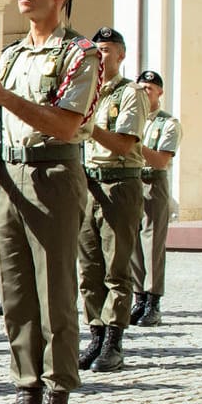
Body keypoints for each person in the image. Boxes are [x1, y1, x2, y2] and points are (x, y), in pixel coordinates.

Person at [0, 0, 100, 404]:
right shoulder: (9, 56)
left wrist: (2, 97)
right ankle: (25, 397)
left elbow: (67, 124)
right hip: (12, 175)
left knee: (55, 297)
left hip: (55, 173)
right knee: (18, 295)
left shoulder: (80, 54)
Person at [75, 27, 149, 373]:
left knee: (116, 267)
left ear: (120, 55)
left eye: (106, 51)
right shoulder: (87, 91)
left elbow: (122, 144)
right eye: (96, 51)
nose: (100, 57)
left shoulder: (131, 93)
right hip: (88, 185)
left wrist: (87, 125)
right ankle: (95, 333)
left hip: (119, 183)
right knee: (89, 268)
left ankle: (114, 341)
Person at [130, 71, 182, 327]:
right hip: (131, 181)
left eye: (149, 88)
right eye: (140, 88)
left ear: (160, 92)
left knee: (152, 244)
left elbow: (161, 160)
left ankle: (153, 301)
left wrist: (130, 144)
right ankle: (138, 297)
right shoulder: (130, 117)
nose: (144, 93)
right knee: (132, 244)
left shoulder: (168, 123)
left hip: (153, 182)